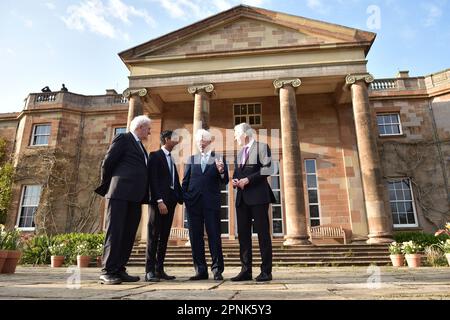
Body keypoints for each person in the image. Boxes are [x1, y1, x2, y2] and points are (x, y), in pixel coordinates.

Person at [95, 115, 151, 285]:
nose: (149, 132)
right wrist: (110, 185)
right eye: (148, 129)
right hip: (119, 193)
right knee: (115, 231)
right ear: (140, 127)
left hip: (135, 197)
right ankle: (107, 271)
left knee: (128, 234)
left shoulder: (140, 145)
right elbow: (108, 162)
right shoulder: (123, 138)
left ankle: (119, 269)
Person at [231, 123, 276, 282]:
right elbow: (237, 172)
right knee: (243, 236)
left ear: (244, 134)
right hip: (242, 199)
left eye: (236, 134)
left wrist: (248, 180)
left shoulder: (262, 147)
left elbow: (269, 168)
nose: (235, 137)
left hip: (258, 197)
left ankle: (266, 272)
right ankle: (246, 270)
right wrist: (235, 180)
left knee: (263, 235)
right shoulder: (239, 153)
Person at [182, 129, 229, 281]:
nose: (201, 145)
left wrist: (221, 172)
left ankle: (217, 270)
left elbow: (225, 180)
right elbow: (185, 182)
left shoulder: (219, 158)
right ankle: (200, 270)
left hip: (211, 203)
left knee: (214, 236)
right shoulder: (191, 159)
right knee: (195, 237)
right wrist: (186, 198)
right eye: (198, 142)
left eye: (203, 142)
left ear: (209, 142)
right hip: (193, 204)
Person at [145, 130, 183, 282]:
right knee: (153, 236)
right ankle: (149, 271)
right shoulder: (155, 156)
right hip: (158, 203)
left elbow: (175, 182)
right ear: (167, 139)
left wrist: (181, 197)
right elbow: (152, 180)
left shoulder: (171, 159)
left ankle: (159, 269)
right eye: (174, 138)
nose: (177, 140)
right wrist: (159, 200)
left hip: (171, 203)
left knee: (164, 237)